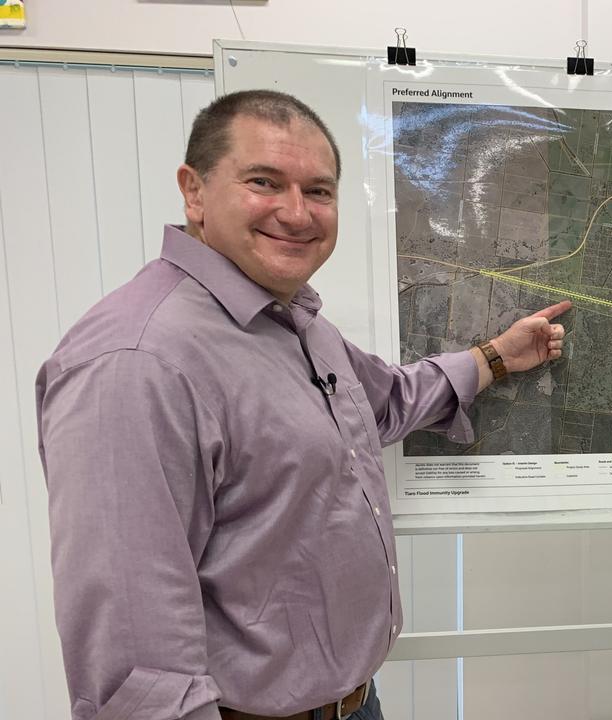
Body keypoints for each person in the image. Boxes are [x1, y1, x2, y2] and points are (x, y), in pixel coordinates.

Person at [36, 90, 569, 720]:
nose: (296, 212)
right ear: (194, 191)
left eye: (318, 191)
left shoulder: (295, 323)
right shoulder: (136, 362)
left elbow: (385, 402)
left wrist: (495, 357)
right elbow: (134, 662)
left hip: (352, 704)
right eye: (265, 182)